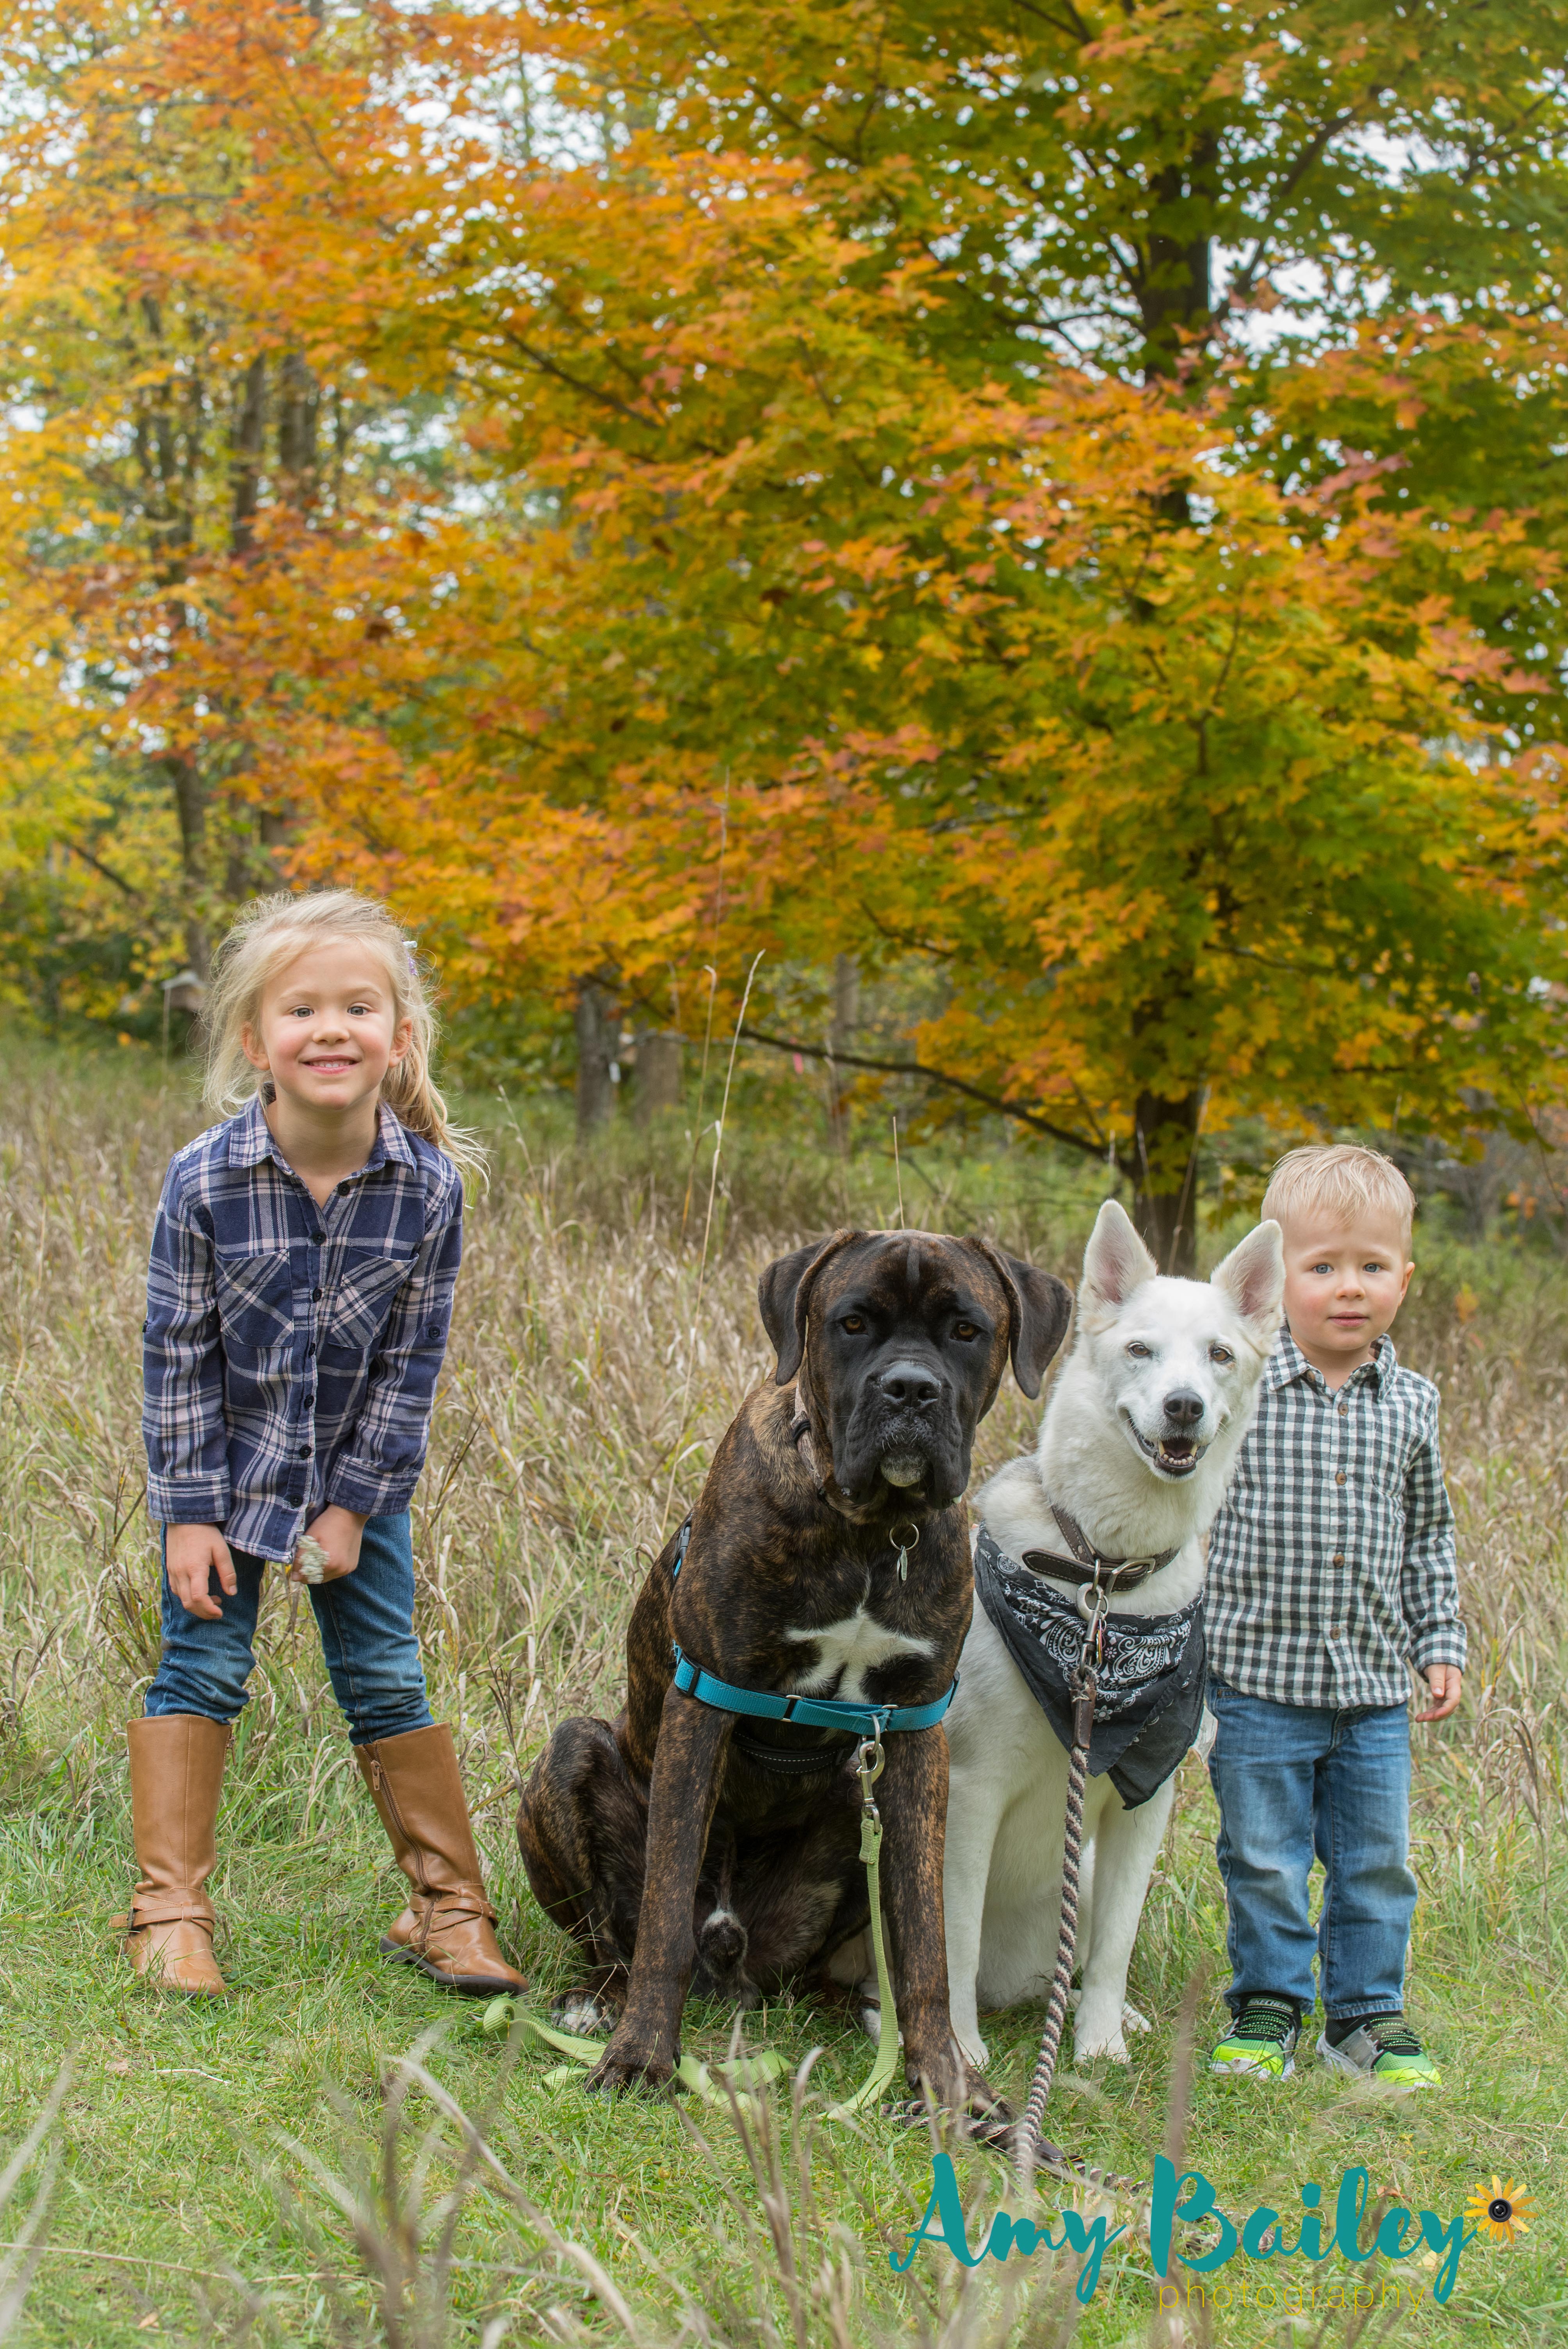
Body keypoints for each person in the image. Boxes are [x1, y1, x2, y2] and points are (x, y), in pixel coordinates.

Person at [125, 888, 524, 2002]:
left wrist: (351, 1510)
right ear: (257, 1040)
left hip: (362, 1485)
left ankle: (445, 1905)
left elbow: (412, 1366)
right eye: (301, 1010)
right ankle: (169, 1911)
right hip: (226, 1483)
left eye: (359, 1007)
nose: (331, 1029)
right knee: (202, 1666)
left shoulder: (427, 1189)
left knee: (385, 1676)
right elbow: (175, 1356)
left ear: (400, 1037)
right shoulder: (204, 1179)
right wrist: (189, 1517)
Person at [1204, 1143, 1464, 2086]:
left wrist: (1439, 1640)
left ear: (1405, 1278)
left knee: (1375, 1861)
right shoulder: (1238, 1391)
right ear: (1275, 1279)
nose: (1349, 1287)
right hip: (1256, 1682)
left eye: (1372, 1265)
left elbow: (1427, 1535)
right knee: (1263, 1858)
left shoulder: (1413, 1404)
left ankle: (1365, 2014)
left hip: (1371, 1690)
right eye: (1321, 1266)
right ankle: (1269, 2002)